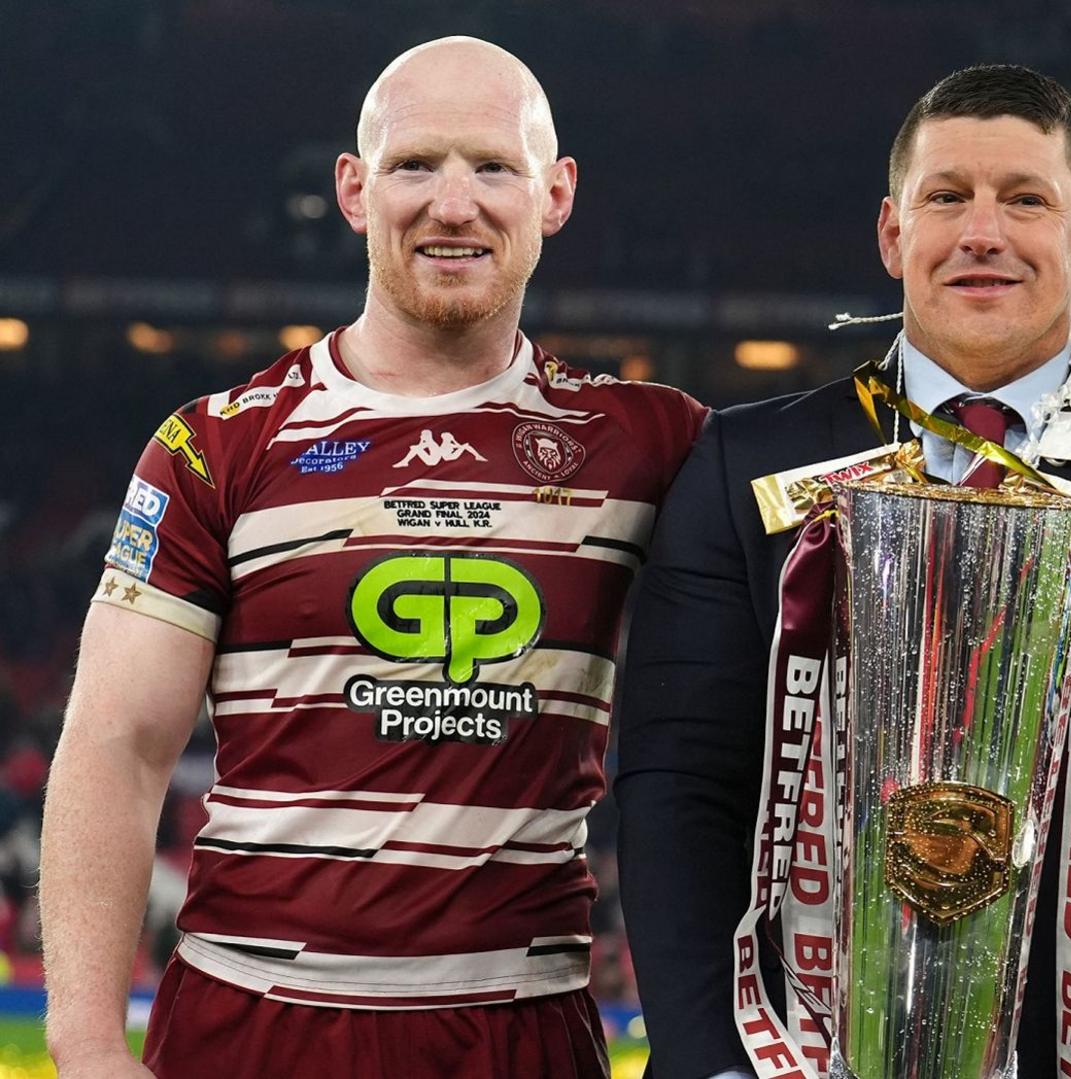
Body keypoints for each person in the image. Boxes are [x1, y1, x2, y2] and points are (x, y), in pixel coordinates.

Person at [39, 37, 708, 1078]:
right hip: (248, 1023)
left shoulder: (649, 442)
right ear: (354, 189)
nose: (453, 204)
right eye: (414, 165)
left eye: (492, 166)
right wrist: (84, 1041)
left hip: (519, 1026)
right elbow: (114, 744)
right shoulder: (216, 444)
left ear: (556, 192)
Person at [618, 64, 1071, 1079]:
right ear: (894, 234)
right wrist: (721, 1062)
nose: (983, 232)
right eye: (948, 198)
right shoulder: (740, 467)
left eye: (1026, 199)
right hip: (790, 1056)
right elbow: (677, 787)